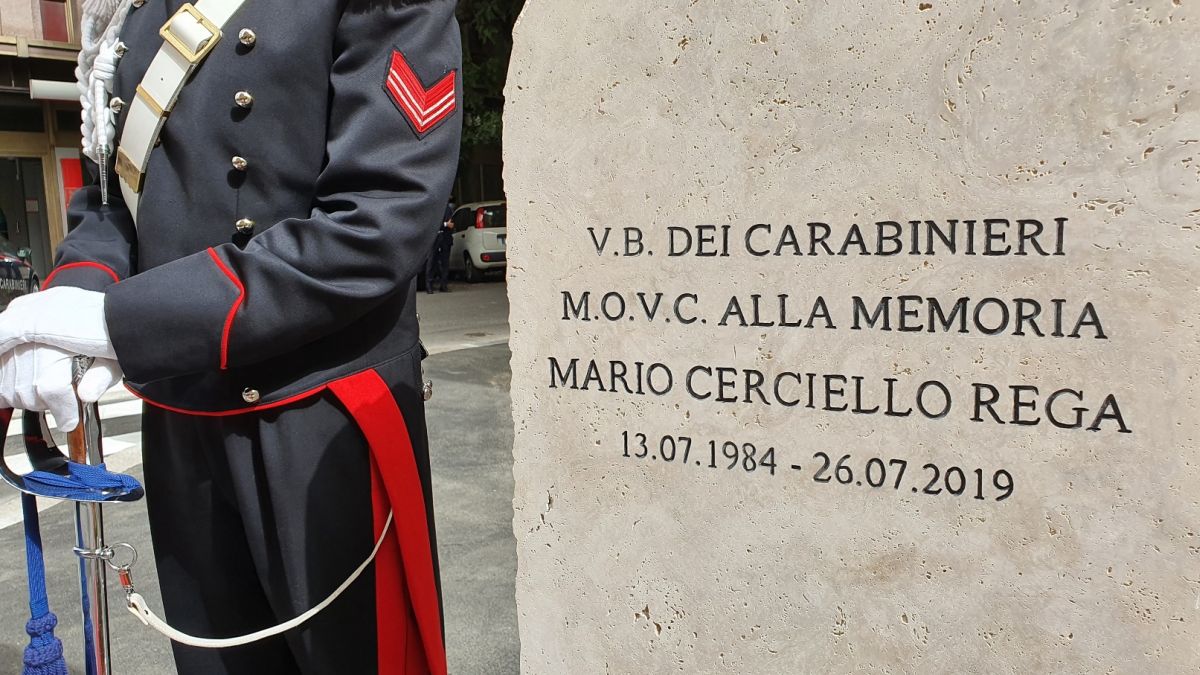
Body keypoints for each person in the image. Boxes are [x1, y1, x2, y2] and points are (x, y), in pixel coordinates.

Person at [0, 0, 461, 673]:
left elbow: (377, 225)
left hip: (321, 420)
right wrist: (75, 294)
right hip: (183, 421)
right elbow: (114, 201)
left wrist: (123, 322)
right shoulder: (136, 14)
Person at [424, 202, 454, 294]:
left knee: (445, 263)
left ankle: (443, 285)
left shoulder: (448, 208)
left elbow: (451, 222)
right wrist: (445, 224)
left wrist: (448, 225)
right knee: (432, 262)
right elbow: (431, 224)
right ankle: (429, 285)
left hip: (445, 238)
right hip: (434, 239)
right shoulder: (432, 208)